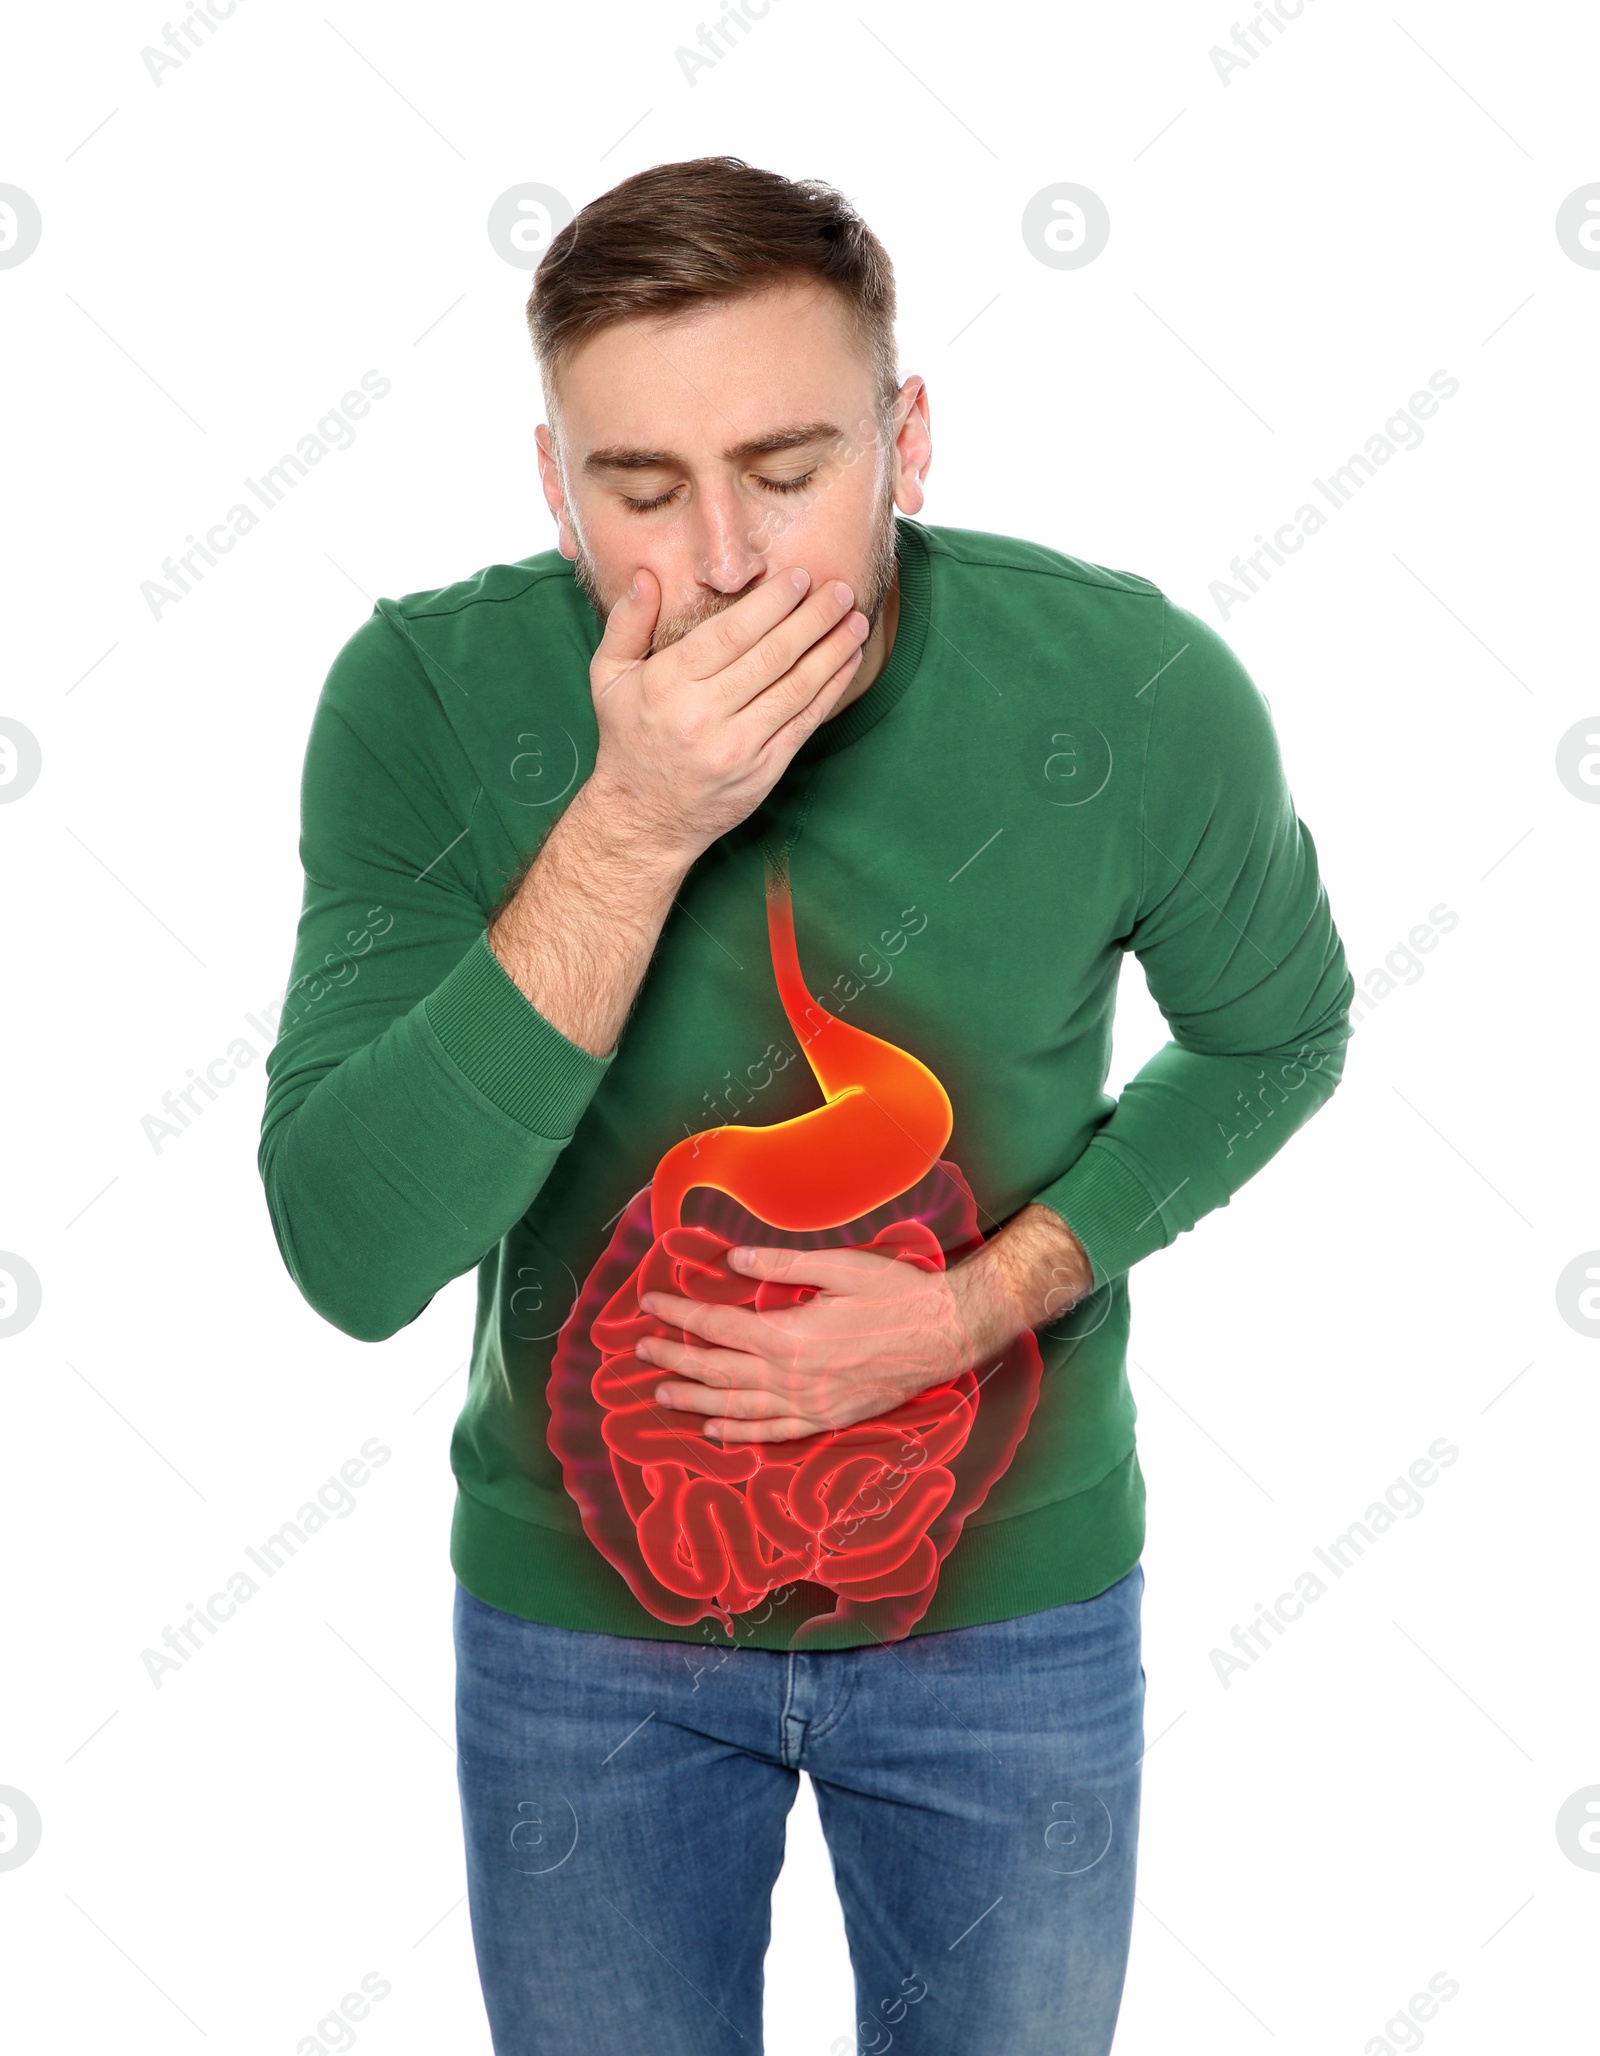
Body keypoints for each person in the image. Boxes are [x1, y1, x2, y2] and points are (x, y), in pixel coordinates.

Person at [258, 154, 1355, 2055]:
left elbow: (1282, 1035)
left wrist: (973, 1305)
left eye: (790, 469)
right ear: (549, 484)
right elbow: (351, 1252)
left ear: (907, 441)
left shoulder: (1137, 689)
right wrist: (629, 829)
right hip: (581, 1637)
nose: (732, 560)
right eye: (641, 490)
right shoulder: (424, 700)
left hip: (1012, 1617)